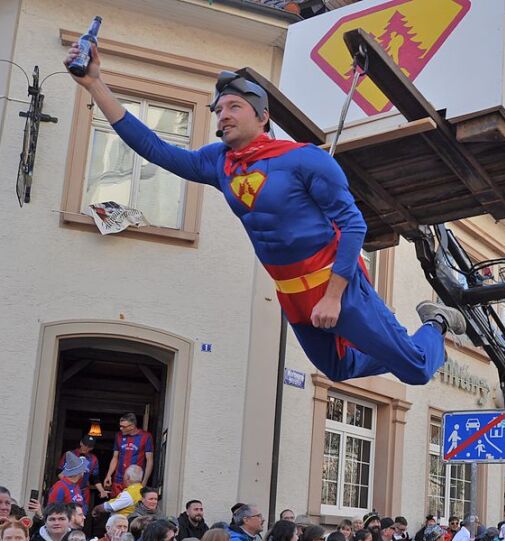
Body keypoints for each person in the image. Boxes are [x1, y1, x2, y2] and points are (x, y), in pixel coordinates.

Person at [65, 51, 465, 385]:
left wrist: (333, 296)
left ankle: (435, 325)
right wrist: (95, 83)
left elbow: (353, 225)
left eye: (234, 107)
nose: (222, 115)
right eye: (218, 109)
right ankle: (405, 347)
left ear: (262, 117)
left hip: (336, 287)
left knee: (414, 371)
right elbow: (154, 148)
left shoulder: (303, 159)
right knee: (338, 368)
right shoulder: (218, 163)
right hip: (293, 294)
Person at [103, 414, 154, 495]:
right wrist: (109, 475)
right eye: (120, 426)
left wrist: (144, 481)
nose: (121, 428)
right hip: (118, 479)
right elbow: (115, 457)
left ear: (132, 426)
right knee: (116, 504)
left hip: (134, 480)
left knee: (132, 506)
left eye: (123, 426)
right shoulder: (118, 435)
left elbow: (149, 460)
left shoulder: (146, 436)